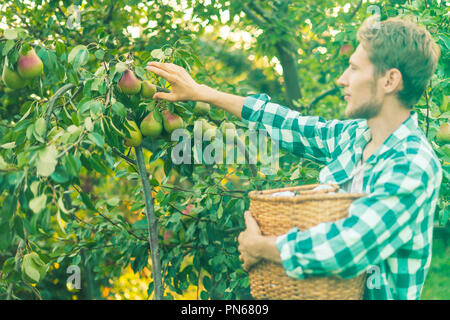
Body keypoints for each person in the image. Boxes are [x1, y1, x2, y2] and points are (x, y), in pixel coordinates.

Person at [146, 15, 442, 300]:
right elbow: (287, 124)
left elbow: (346, 249)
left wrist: (261, 247)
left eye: (354, 68)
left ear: (390, 81)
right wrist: (202, 93)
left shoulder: (411, 164)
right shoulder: (354, 137)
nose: (342, 79)